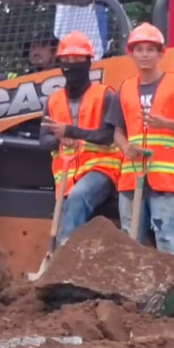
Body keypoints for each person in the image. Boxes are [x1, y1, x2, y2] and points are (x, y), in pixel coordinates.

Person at [105, 23, 174, 259]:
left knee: (168, 239)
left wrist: (167, 124)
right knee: (130, 239)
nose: (145, 54)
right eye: (139, 49)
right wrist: (126, 147)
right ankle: (131, 291)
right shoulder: (125, 89)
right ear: (131, 53)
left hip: (166, 180)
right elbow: (117, 131)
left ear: (160, 53)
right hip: (132, 178)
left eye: (150, 49)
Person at [39, 31, 121, 246]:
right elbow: (44, 141)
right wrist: (60, 140)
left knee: (78, 198)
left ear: (88, 62)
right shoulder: (53, 101)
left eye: (76, 60)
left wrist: (71, 132)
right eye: (66, 60)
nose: (71, 65)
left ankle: (63, 261)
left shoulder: (106, 95)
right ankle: (57, 261)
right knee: (64, 211)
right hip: (66, 176)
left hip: (101, 170)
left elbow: (107, 136)